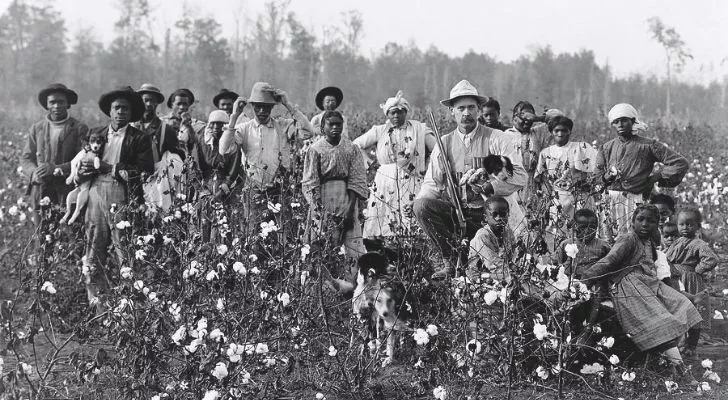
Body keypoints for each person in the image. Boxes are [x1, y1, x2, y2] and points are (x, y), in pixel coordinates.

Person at [414, 80, 527, 278]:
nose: (466, 113)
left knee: (506, 262)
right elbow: (432, 183)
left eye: (471, 107)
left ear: (479, 110)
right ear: (452, 112)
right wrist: (418, 201)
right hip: (458, 213)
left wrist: (491, 186)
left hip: (492, 216)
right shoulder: (444, 143)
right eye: (461, 108)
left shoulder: (497, 138)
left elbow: (520, 176)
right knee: (421, 206)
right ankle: (451, 260)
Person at [581, 204, 701, 380]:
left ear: (656, 224)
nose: (645, 224)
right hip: (629, 287)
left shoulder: (648, 242)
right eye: (640, 219)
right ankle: (680, 369)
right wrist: (583, 281)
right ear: (633, 221)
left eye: (651, 221)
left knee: (684, 305)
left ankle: (671, 361)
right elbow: (608, 262)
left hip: (649, 284)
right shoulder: (628, 239)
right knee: (661, 321)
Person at [76, 86, 153, 308]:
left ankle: (130, 307)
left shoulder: (139, 138)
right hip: (95, 193)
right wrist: (83, 171)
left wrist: (113, 168)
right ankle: (99, 305)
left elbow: (145, 170)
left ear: (132, 113)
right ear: (110, 111)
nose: (121, 112)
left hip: (123, 194)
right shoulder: (96, 133)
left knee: (125, 250)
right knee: (93, 246)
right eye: (117, 108)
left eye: (125, 109)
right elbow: (83, 159)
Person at [219, 82, 314, 229]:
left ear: (272, 107)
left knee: (283, 233)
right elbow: (223, 149)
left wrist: (288, 105)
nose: (262, 110)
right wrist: (234, 116)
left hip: (279, 188)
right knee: (253, 234)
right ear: (252, 107)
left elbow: (308, 133)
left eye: (267, 107)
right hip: (253, 189)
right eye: (258, 106)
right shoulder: (244, 128)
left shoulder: (283, 126)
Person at [594, 103, 688, 239]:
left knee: (634, 238)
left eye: (624, 121)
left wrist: (656, 177)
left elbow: (680, 163)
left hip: (635, 199)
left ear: (632, 121)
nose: (620, 125)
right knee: (608, 239)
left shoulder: (648, 145)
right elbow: (596, 176)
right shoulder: (606, 147)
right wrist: (606, 177)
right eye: (616, 122)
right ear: (613, 125)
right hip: (610, 200)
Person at [352, 90, 435, 238]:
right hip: (385, 179)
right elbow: (356, 145)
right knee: (383, 217)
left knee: (410, 215)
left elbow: (437, 150)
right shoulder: (379, 130)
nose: (396, 116)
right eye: (392, 113)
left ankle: (412, 249)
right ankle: (384, 247)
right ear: (387, 115)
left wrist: (426, 166)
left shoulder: (419, 129)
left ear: (406, 112)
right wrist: (370, 163)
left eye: (400, 112)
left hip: (412, 177)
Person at [302, 110, 368, 259]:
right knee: (322, 244)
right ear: (322, 128)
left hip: (346, 198)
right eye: (331, 124)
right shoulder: (315, 150)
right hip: (323, 199)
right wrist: (320, 212)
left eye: (338, 124)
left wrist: (350, 211)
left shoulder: (351, 148)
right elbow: (310, 182)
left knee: (352, 247)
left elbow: (356, 179)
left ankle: (351, 280)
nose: (335, 128)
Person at [21, 83, 87, 223]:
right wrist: (34, 173)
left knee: (69, 233)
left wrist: (57, 169)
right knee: (42, 236)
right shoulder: (37, 128)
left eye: (61, 102)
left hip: (67, 190)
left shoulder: (78, 128)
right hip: (41, 189)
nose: (56, 106)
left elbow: (83, 160)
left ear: (68, 104)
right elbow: (27, 157)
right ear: (47, 105)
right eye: (52, 102)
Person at [664, 208, 718, 358]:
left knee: (694, 313)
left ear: (697, 227)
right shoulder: (676, 242)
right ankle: (679, 343)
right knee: (677, 311)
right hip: (675, 279)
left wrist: (698, 270)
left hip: (690, 280)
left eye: (689, 224)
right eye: (682, 224)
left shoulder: (698, 244)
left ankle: (691, 345)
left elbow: (712, 259)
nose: (685, 228)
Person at [534, 116, 596, 236]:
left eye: (564, 130)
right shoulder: (546, 153)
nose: (560, 133)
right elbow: (540, 178)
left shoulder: (581, 147)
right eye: (556, 130)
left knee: (582, 229)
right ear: (551, 132)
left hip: (580, 196)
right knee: (559, 231)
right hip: (558, 198)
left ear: (570, 131)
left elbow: (596, 165)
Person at [133, 84, 185, 211]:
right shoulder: (131, 127)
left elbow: (178, 155)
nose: (149, 104)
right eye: (146, 100)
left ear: (157, 104)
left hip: (155, 180)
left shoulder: (165, 129)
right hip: (132, 178)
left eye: (153, 101)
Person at [198, 110, 244, 242]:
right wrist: (204, 189)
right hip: (206, 189)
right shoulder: (203, 142)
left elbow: (234, 170)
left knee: (224, 223)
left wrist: (223, 189)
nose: (216, 128)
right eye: (213, 124)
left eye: (220, 124)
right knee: (205, 222)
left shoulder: (233, 146)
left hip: (226, 191)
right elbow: (197, 167)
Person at [466, 196, 515, 283]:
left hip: (502, 270)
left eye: (503, 214)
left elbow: (513, 255)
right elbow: (494, 264)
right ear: (486, 218)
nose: (499, 218)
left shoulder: (507, 231)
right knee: (514, 278)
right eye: (494, 215)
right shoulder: (482, 235)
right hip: (481, 274)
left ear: (508, 214)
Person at [162, 88, 206, 157]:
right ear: (172, 104)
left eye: (185, 104)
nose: (182, 107)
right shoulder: (162, 122)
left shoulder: (198, 125)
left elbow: (200, 146)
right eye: (178, 104)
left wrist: (189, 127)